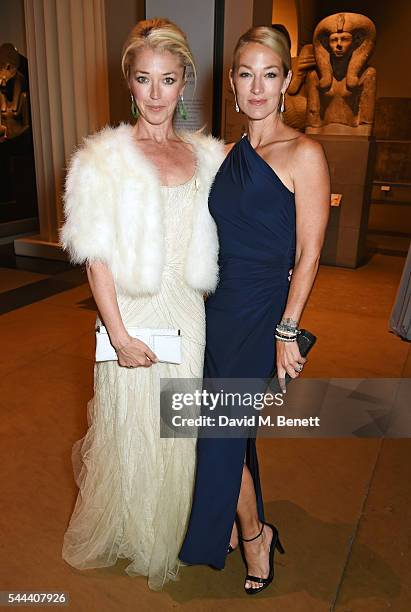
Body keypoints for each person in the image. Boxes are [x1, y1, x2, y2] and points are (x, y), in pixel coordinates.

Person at [60, 18, 224, 591]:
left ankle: (176, 526)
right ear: (129, 83)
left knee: (179, 428)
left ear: (186, 83)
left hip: (189, 313)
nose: (156, 95)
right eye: (144, 80)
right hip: (132, 314)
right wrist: (120, 334)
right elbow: (95, 257)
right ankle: (136, 530)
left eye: (169, 80)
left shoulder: (208, 158)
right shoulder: (102, 160)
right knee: (133, 426)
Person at [179, 26, 330, 594]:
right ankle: (240, 521)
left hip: (262, 310)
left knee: (215, 431)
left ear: (288, 81)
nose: (258, 86)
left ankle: (254, 535)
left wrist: (287, 330)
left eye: (270, 73)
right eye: (246, 74)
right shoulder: (228, 154)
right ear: (234, 87)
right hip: (217, 308)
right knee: (229, 431)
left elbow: (310, 252)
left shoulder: (305, 152)